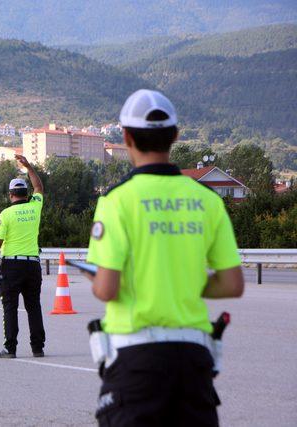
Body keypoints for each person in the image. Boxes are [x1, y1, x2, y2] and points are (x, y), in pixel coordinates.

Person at [86, 89, 244, 426]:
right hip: (193, 359)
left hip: (136, 359)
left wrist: (96, 280)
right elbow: (232, 283)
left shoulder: (116, 201)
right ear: (175, 136)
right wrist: (182, 281)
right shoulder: (208, 200)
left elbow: (107, 289)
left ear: (126, 137)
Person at [0, 154, 46, 359]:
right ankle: (38, 347)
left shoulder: (6, 214)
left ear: (10, 195)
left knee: (10, 307)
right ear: (26, 194)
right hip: (33, 265)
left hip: (11, 266)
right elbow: (39, 188)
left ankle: (10, 347)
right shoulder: (35, 207)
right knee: (33, 306)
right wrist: (28, 167)